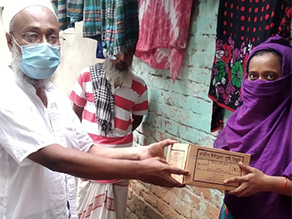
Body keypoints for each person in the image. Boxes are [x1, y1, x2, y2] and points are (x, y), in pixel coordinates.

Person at [0, 1, 189, 218]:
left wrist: (139, 153)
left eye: (52, 37)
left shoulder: (53, 94)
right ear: (10, 41)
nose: (45, 45)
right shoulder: (5, 93)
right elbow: (56, 159)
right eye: (32, 36)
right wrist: (141, 170)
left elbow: (87, 148)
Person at [214, 34, 292, 219]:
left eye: (270, 76)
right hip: (233, 210)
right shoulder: (241, 117)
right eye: (253, 76)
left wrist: (266, 183)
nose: (259, 84)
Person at [69, 45, 148, 218]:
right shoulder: (87, 75)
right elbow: (75, 113)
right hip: (90, 156)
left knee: (118, 208)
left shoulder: (139, 86)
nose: (122, 58)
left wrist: (117, 136)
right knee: (84, 206)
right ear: (107, 51)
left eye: (127, 54)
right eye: (117, 52)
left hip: (122, 158)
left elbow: (138, 118)